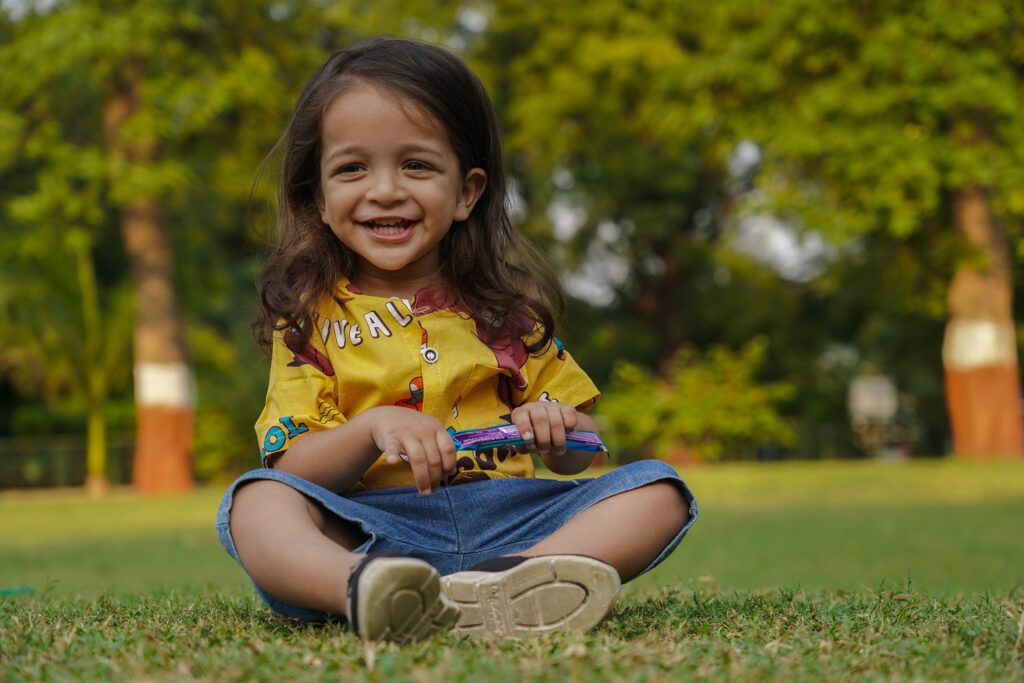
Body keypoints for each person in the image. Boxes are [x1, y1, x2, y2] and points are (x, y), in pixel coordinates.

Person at [215, 37, 698, 643]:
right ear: (318, 196)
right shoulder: (309, 321)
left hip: (513, 521)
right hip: (374, 530)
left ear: (467, 191)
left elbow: (580, 450)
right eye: (352, 168)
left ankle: (515, 582)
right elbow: (295, 468)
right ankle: (363, 588)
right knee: (256, 500)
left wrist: (558, 429)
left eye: (416, 165)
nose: (385, 189)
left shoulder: (508, 313)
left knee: (660, 490)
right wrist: (370, 430)